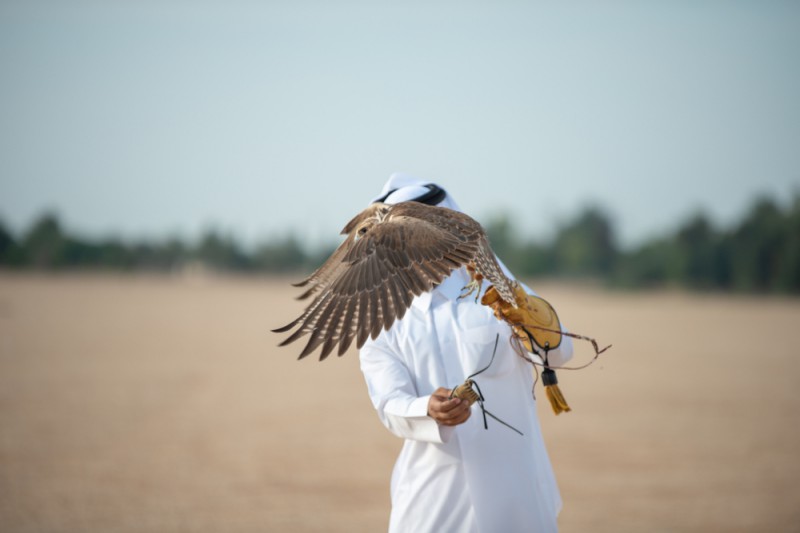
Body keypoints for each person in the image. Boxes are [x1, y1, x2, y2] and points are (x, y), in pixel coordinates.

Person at [359, 173, 574, 533]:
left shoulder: (497, 286)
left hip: (516, 492)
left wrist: (530, 322)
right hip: (433, 502)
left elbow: (560, 352)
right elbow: (388, 402)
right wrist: (426, 408)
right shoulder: (380, 314)